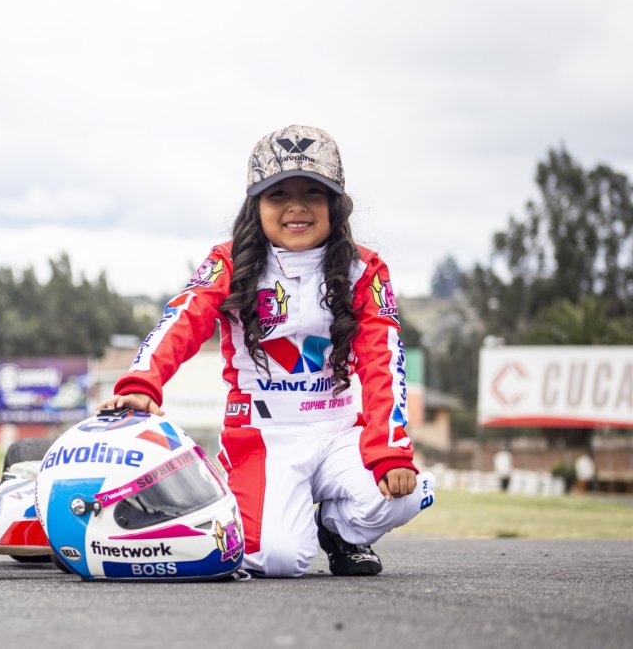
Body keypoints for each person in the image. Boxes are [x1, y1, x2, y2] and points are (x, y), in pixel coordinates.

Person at [98, 124, 434, 578]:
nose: (296, 207)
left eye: (313, 193)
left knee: (408, 493)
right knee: (278, 559)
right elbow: (183, 318)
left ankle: (335, 527)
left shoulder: (364, 268)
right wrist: (142, 383)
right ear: (256, 204)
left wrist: (388, 450)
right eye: (278, 195)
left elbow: (383, 362)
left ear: (335, 205)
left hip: (340, 434)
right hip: (263, 438)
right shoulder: (229, 261)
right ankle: (225, 496)